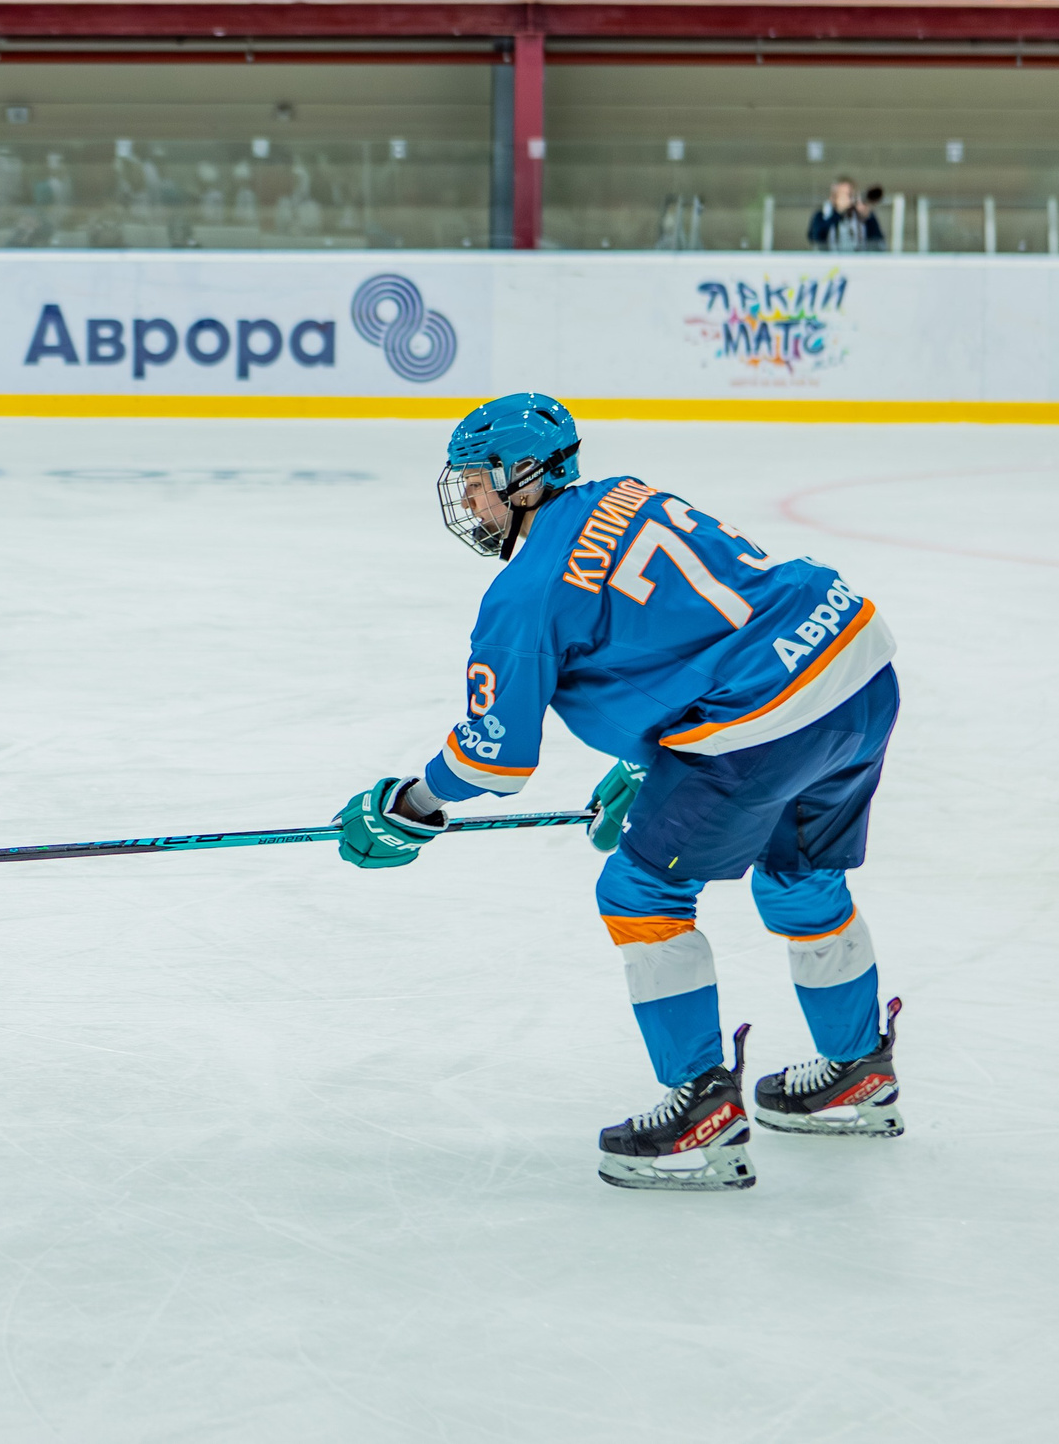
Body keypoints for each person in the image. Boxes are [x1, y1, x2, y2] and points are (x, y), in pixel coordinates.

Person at [334, 393, 903, 1192]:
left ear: (524, 477)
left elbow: (495, 760)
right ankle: (856, 1071)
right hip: (856, 663)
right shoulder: (624, 493)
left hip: (762, 719)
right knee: (801, 878)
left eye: (476, 482)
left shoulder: (524, 592)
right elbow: (696, 617)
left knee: (639, 892)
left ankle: (702, 1113)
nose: (466, 499)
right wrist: (650, 768)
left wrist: (411, 804)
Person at [806, 177, 881, 253]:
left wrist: (867, 218)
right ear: (834, 197)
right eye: (846, 194)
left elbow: (877, 241)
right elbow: (816, 238)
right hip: (830, 261)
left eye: (852, 194)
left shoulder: (861, 215)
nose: (850, 198)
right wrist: (838, 213)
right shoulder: (821, 215)